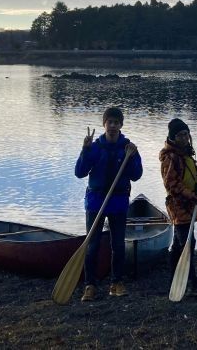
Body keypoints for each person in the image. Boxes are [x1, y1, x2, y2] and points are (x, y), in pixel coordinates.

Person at [74, 106, 143, 302]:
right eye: (109, 122)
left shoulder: (128, 147)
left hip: (118, 203)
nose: (112, 126)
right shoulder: (95, 147)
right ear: (104, 124)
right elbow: (79, 172)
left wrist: (131, 158)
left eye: (116, 122)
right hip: (96, 202)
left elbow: (136, 175)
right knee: (92, 244)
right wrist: (85, 151)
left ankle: (116, 283)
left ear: (121, 125)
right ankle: (90, 285)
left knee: (118, 245)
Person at [159, 118, 197, 299]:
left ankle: (174, 277)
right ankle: (192, 282)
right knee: (187, 243)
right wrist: (190, 195)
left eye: (186, 134)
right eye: (180, 135)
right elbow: (172, 183)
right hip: (179, 205)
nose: (185, 138)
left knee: (178, 243)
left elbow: (188, 175)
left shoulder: (184, 154)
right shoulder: (170, 157)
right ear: (173, 137)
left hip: (189, 203)